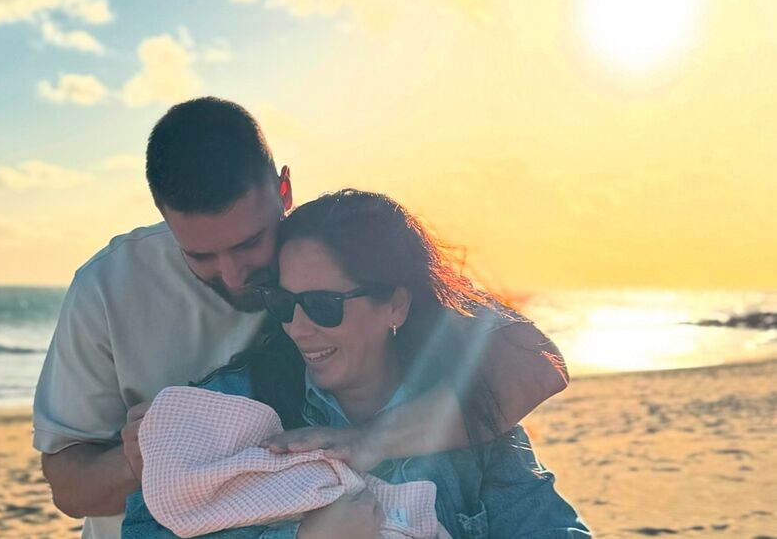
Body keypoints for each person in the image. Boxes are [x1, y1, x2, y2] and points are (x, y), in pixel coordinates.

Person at [34, 98, 570, 539]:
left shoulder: (329, 250)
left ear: (283, 192)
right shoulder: (108, 287)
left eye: (250, 244)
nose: (236, 274)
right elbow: (67, 485)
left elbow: (536, 362)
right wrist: (160, 452)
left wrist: (374, 440)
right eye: (200, 256)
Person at [122, 189, 589, 539]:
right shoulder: (239, 407)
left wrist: (371, 441)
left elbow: (539, 363)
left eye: (324, 304)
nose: (298, 327)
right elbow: (146, 528)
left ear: (396, 307)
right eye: (283, 303)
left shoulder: (468, 412)